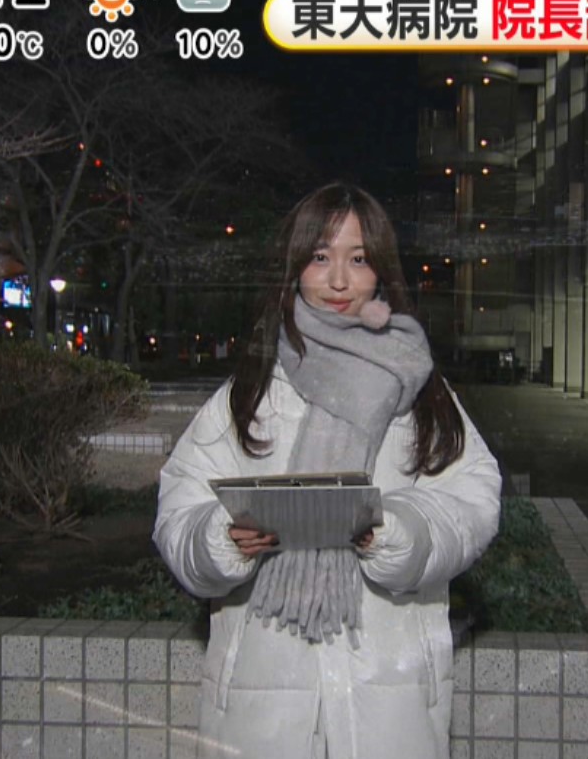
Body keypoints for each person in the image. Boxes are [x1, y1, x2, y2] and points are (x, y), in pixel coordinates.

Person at [153, 183, 502, 759]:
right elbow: (178, 508)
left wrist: (401, 532)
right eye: (320, 257)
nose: (339, 280)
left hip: (391, 704)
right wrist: (221, 539)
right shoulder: (252, 392)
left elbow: (474, 497)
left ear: (382, 272)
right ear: (294, 268)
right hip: (261, 712)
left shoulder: (419, 389)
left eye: (359, 259)